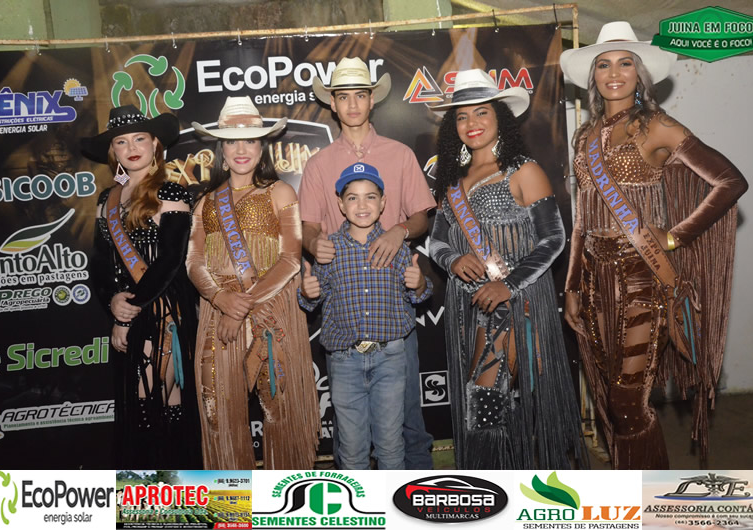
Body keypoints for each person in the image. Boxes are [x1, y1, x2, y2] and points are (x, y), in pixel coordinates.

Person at [559, 21, 748, 469]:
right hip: (595, 278)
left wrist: (676, 235)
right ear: (593, 76)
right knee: (611, 399)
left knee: (627, 403)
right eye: (604, 64)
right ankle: (631, 492)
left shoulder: (658, 125)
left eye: (625, 63)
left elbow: (730, 181)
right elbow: (583, 219)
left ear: (640, 73)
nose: (614, 73)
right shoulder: (584, 136)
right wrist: (571, 286)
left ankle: (650, 497)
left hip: (642, 273)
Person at [429, 69, 588, 470]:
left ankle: (491, 489)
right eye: (462, 116)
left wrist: (509, 285)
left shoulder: (522, 170)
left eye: (482, 112)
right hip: (471, 309)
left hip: (514, 307)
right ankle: (503, 483)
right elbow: (436, 242)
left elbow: (554, 239)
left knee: (485, 404)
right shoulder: (452, 182)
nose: (472, 123)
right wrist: (454, 259)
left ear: (500, 117)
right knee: (491, 406)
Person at [300, 57, 437, 469]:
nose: (353, 104)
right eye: (344, 96)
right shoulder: (319, 164)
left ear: (372, 99)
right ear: (332, 103)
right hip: (344, 304)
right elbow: (309, 226)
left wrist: (399, 230)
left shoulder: (400, 154)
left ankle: (411, 496)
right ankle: (357, 500)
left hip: (391, 307)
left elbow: (421, 217)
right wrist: (315, 243)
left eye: (360, 95)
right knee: (350, 433)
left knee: (406, 418)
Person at [186, 96, 319, 469]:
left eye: (250, 140)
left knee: (280, 410)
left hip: (272, 314)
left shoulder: (281, 192)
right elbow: (194, 262)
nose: (241, 149)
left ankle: (287, 495)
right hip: (219, 316)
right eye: (232, 141)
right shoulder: (206, 203)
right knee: (217, 412)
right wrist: (220, 299)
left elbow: (290, 259)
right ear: (221, 149)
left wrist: (241, 306)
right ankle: (232, 499)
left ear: (262, 147)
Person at [84, 105, 201, 469]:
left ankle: (167, 487)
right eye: (121, 141)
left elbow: (169, 261)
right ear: (113, 151)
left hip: (164, 311)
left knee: (153, 404)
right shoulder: (107, 199)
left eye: (139, 139)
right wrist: (112, 301)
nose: (131, 147)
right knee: (156, 404)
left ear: (155, 144)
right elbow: (99, 263)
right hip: (129, 311)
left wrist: (126, 313)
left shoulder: (171, 192)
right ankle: (166, 489)